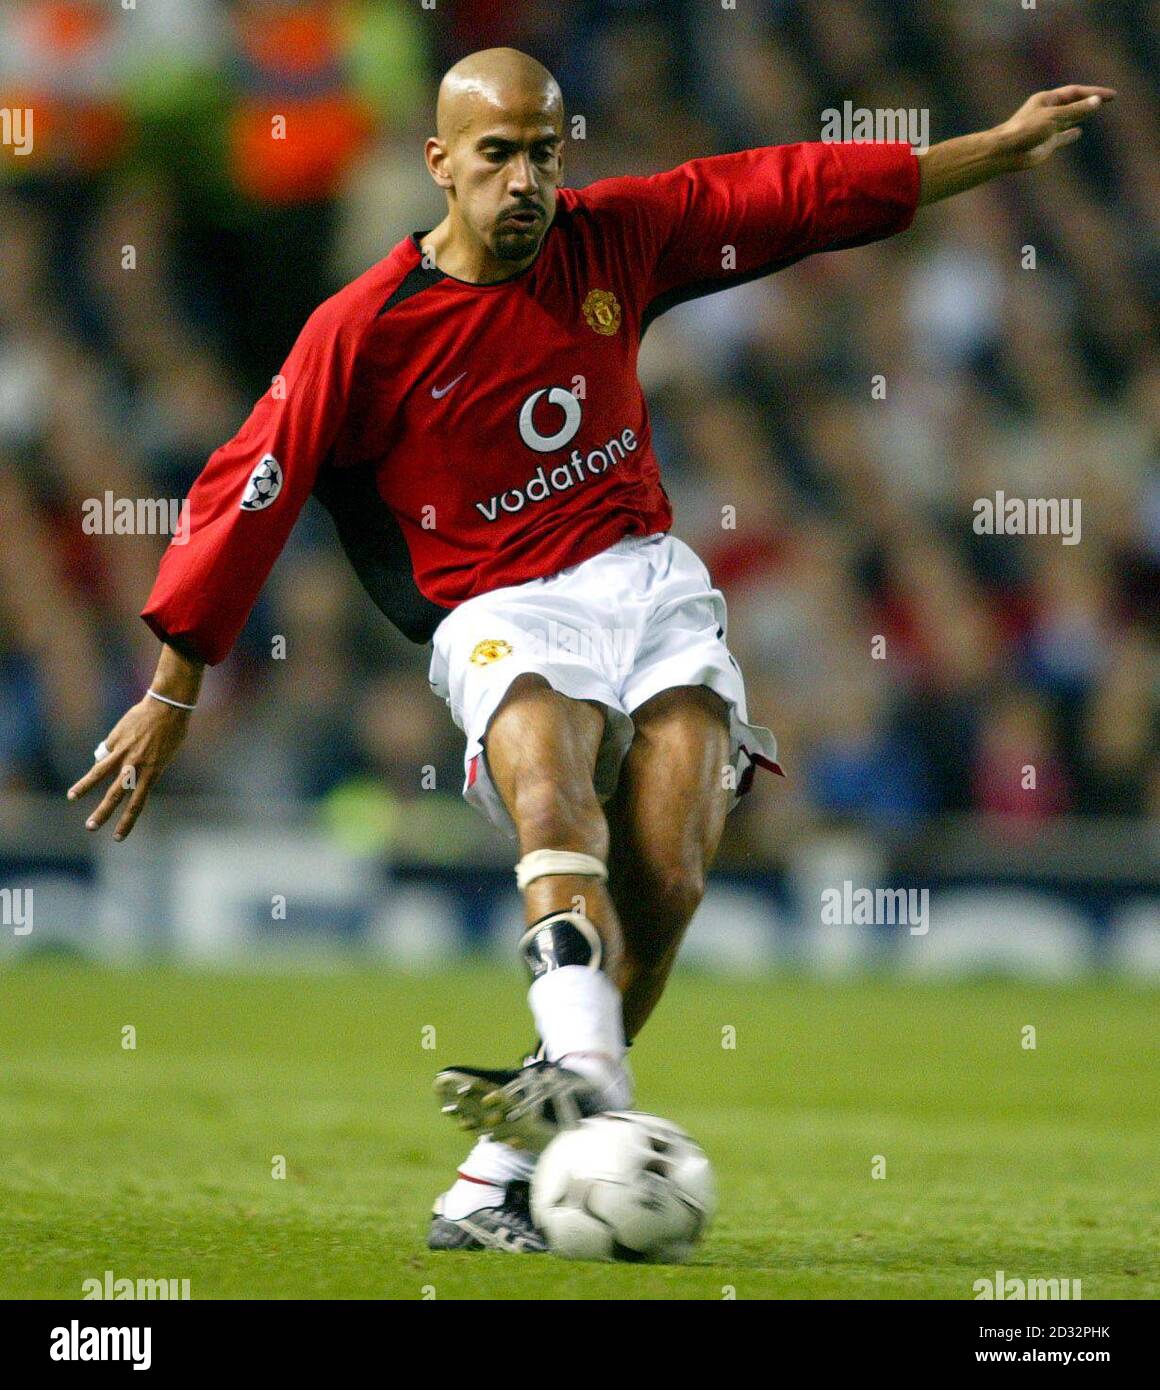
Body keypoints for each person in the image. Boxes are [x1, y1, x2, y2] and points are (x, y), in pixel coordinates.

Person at [68, 47, 1114, 1252]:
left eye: (543, 154)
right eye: (497, 154)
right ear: (440, 163)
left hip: (644, 586)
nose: (524, 180)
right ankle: (583, 1073)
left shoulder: (611, 238)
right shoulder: (360, 330)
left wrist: (987, 149)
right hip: (500, 606)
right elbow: (247, 491)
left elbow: (782, 192)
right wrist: (173, 685)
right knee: (553, 775)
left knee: (663, 876)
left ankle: (490, 1178)